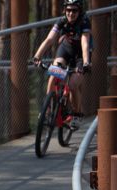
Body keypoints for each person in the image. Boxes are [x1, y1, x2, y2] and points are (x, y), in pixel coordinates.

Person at [32, 0, 92, 129]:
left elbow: (85, 43)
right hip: (66, 49)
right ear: (65, 10)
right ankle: (47, 110)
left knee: (73, 84)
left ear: (80, 11)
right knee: (54, 74)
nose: (71, 13)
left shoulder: (84, 21)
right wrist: (37, 56)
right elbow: (49, 39)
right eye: (68, 10)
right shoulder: (61, 21)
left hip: (81, 54)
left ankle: (76, 114)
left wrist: (86, 62)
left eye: (74, 10)